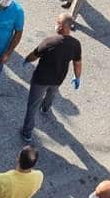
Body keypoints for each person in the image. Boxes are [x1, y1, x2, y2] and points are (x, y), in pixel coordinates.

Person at [21, 13, 82, 142]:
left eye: (57, 22)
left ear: (60, 26)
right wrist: (77, 77)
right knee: (52, 93)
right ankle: (46, 108)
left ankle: (27, 132)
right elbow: (77, 63)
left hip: (41, 79)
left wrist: (27, 60)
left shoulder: (50, 41)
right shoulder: (76, 44)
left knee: (32, 106)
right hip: (58, 78)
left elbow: (35, 54)